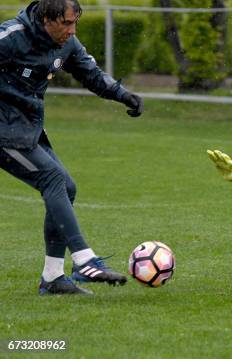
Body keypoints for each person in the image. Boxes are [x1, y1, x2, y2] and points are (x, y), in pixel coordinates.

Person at [0, 0, 143, 295]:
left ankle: (52, 278)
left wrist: (123, 95)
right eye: (66, 23)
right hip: (4, 131)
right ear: (45, 19)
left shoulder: (67, 44)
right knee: (51, 178)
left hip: (27, 127)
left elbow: (92, 75)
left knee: (66, 187)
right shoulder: (11, 37)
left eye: (75, 22)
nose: (72, 30)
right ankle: (83, 259)